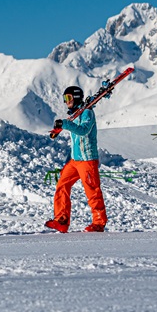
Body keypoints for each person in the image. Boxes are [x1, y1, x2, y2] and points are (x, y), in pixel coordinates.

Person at [45, 85, 108, 233]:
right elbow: (71, 125)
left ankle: (99, 223)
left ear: (77, 97)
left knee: (92, 190)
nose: (66, 101)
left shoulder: (87, 113)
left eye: (68, 98)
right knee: (62, 185)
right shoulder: (75, 114)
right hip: (75, 161)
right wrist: (61, 126)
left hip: (87, 160)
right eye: (65, 98)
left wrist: (65, 124)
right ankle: (61, 220)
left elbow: (83, 131)